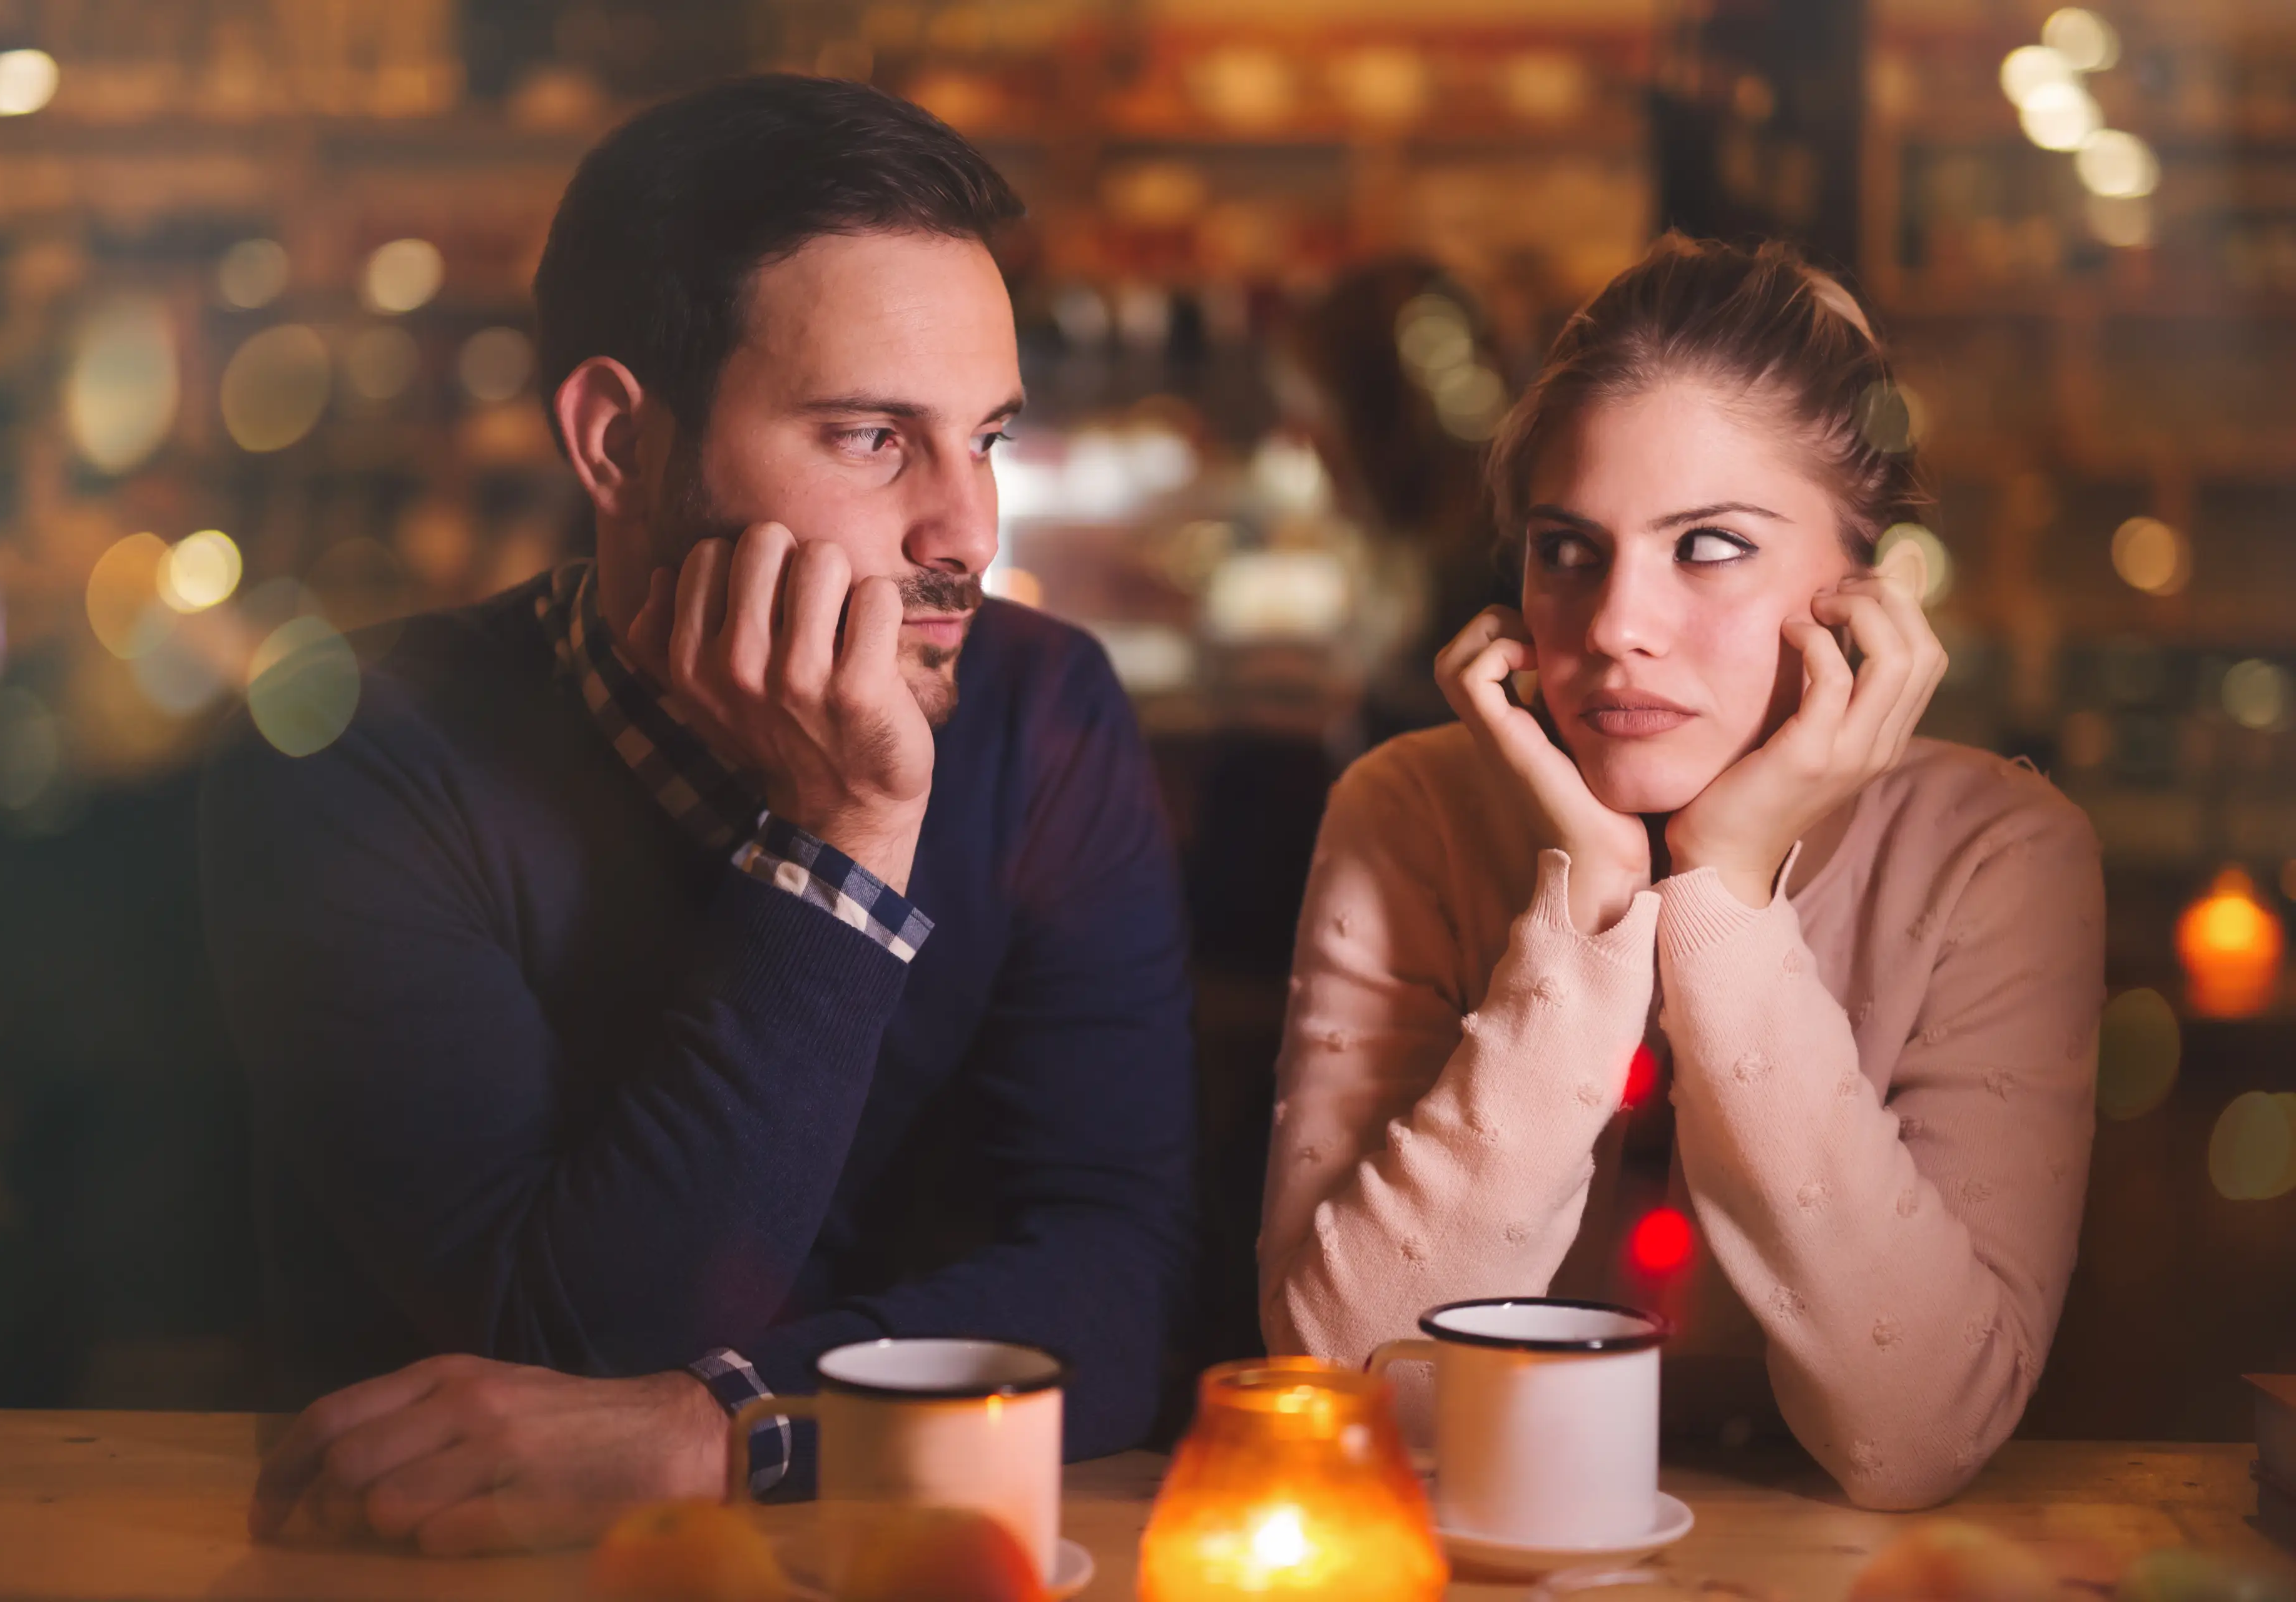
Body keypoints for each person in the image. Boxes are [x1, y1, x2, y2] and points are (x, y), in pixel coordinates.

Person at [200, 75, 1196, 1554]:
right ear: (617, 443)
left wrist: (722, 1430)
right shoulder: (355, 758)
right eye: (871, 437)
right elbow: (557, 1355)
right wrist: (848, 833)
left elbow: (1128, 1281)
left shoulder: (1046, 713)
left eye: (984, 435)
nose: (968, 531)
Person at [1258, 235, 2105, 1511]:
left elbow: (1918, 1432)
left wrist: (1727, 896)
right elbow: (1339, 1388)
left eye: (1708, 545)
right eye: (1567, 548)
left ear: (1862, 587)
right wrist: (1590, 906)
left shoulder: (1996, 855)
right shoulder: (1407, 813)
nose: (1612, 627)